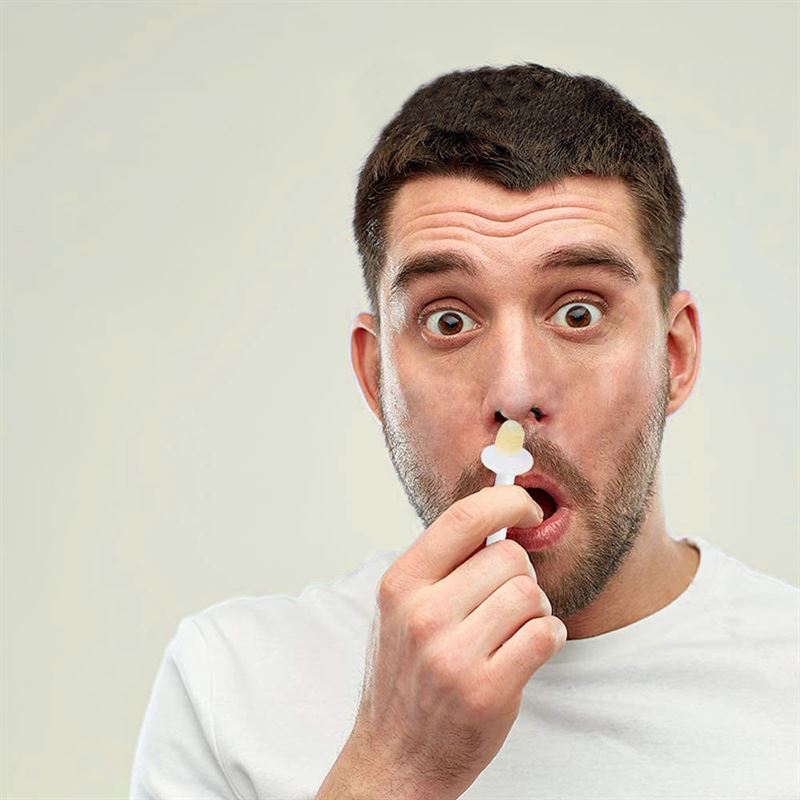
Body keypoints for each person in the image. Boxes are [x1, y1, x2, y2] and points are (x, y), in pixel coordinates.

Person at [129, 63, 799, 800]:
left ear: (674, 356)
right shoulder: (228, 687)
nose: (515, 393)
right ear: (376, 377)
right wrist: (396, 766)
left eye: (578, 313)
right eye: (449, 321)